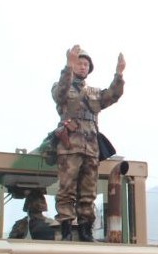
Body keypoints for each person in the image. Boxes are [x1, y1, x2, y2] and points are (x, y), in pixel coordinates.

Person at [52, 44, 125, 242]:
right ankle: (66, 229)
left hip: (91, 148)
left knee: (88, 192)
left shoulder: (94, 92)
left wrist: (118, 74)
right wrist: (67, 66)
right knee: (66, 190)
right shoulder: (62, 87)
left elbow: (112, 95)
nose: (83, 67)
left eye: (86, 64)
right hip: (70, 147)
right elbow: (60, 94)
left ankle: (86, 230)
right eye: (79, 63)